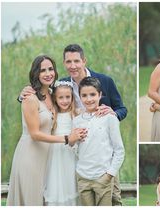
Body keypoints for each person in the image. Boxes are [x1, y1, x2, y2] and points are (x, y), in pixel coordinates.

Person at [19, 44, 127, 205]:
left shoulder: (104, 81)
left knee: (112, 198)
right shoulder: (61, 85)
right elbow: (43, 100)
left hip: (104, 154)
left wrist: (113, 113)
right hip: (79, 153)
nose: (73, 66)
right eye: (68, 62)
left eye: (76, 61)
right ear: (64, 64)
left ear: (84, 61)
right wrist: (22, 96)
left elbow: (122, 109)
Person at [7, 55, 85, 206]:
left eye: (51, 69)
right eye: (43, 70)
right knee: (32, 199)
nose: (48, 73)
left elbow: (69, 110)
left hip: (48, 158)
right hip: (30, 156)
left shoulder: (52, 94)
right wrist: (67, 138)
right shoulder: (30, 98)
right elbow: (35, 134)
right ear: (36, 73)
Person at [72, 77, 125, 206]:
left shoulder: (109, 118)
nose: (89, 99)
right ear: (79, 97)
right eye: (84, 95)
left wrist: (109, 174)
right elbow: (75, 148)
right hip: (83, 176)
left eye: (93, 94)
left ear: (100, 95)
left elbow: (119, 150)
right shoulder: (77, 121)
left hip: (102, 176)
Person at [44, 80, 85, 205]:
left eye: (68, 97)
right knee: (55, 181)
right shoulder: (52, 114)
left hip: (71, 154)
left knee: (70, 181)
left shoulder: (77, 114)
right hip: (55, 154)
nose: (65, 100)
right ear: (55, 99)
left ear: (72, 97)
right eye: (60, 97)